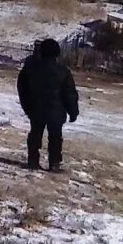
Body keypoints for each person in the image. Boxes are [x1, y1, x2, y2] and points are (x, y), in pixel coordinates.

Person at [17, 38, 80, 172]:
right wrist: (73, 112)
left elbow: (22, 87)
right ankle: (54, 163)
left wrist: (26, 106)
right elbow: (70, 94)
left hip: (35, 109)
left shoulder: (31, 69)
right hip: (56, 112)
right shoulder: (63, 72)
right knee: (56, 137)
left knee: (35, 134)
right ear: (57, 53)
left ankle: (33, 161)